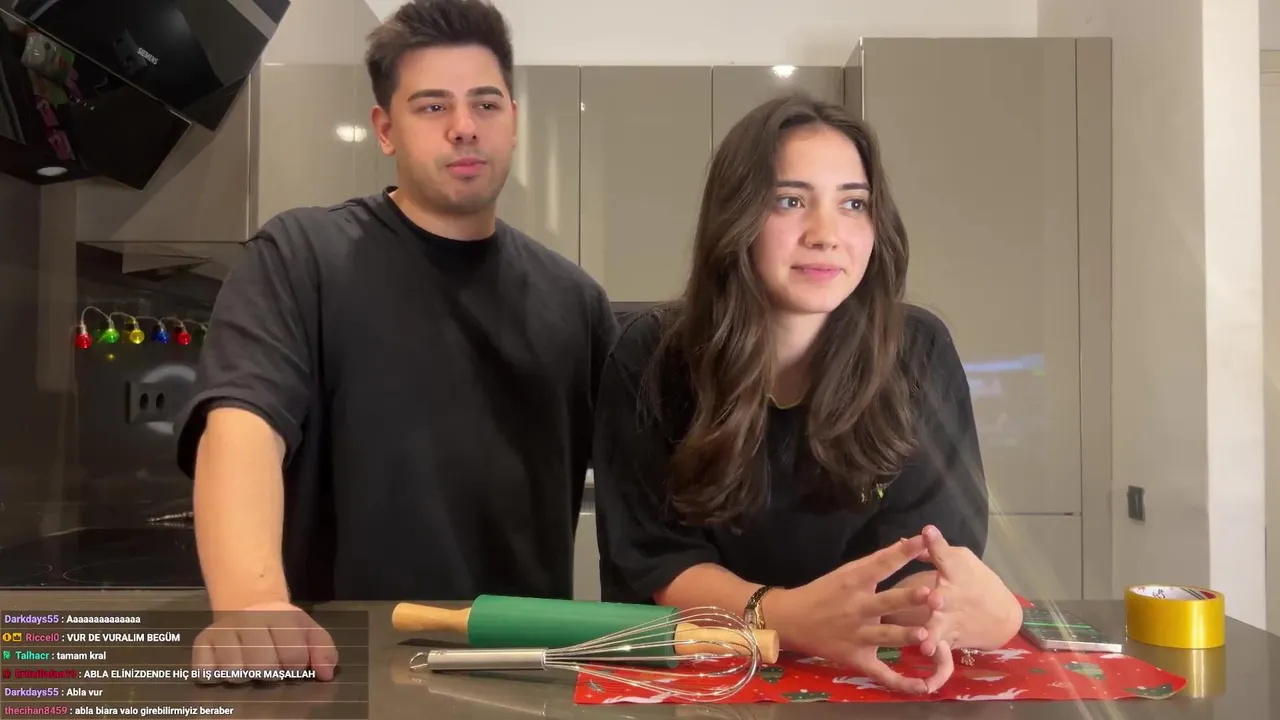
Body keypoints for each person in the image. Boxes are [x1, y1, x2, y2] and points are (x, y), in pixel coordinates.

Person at [178, 0, 617, 679]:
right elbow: (242, 425)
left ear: (513, 121)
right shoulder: (303, 257)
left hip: (518, 665)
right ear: (385, 129)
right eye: (432, 106)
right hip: (339, 663)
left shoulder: (576, 302)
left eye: (485, 104)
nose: (464, 127)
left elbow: (643, 488)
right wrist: (253, 604)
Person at [591, 94, 1021, 694]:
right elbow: (658, 562)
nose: (826, 235)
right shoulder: (650, 357)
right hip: (706, 672)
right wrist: (790, 618)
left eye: (853, 203)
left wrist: (976, 610)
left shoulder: (918, 352)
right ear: (736, 216)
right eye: (790, 201)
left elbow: (931, 557)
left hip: (870, 674)